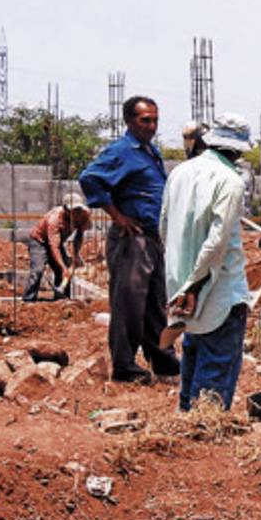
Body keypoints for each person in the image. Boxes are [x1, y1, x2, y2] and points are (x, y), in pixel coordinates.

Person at [79, 96, 180, 383]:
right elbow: (90, 178)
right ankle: (124, 368)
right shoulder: (122, 151)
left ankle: (162, 361)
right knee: (129, 305)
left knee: (155, 304)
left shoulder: (150, 151)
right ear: (129, 121)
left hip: (151, 237)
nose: (151, 125)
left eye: (155, 120)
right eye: (144, 120)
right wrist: (117, 215)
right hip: (131, 240)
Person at [160, 113, 254, 412]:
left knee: (194, 353)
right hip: (219, 289)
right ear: (238, 150)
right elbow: (216, 242)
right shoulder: (231, 181)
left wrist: (182, 280)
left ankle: (185, 420)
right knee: (215, 369)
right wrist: (196, 283)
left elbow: (164, 226)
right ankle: (203, 433)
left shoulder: (179, 173)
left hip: (182, 286)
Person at [22, 194, 91, 302]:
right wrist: (64, 268)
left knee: (62, 270)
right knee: (38, 270)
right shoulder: (54, 219)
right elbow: (54, 247)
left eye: (78, 209)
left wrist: (76, 254)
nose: (76, 213)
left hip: (57, 243)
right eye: (73, 210)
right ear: (65, 209)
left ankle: (62, 299)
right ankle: (28, 300)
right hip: (39, 241)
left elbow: (79, 234)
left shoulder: (84, 214)